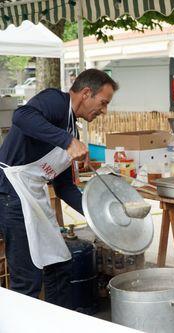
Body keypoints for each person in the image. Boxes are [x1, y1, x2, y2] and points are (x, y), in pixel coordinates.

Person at [0, 69, 118, 308]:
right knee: (28, 280)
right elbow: (21, 116)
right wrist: (67, 142)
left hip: (33, 195)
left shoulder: (72, 129)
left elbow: (65, 188)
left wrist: (97, 214)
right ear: (86, 93)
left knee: (59, 265)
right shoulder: (55, 101)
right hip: (10, 193)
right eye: (103, 103)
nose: (104, 111)